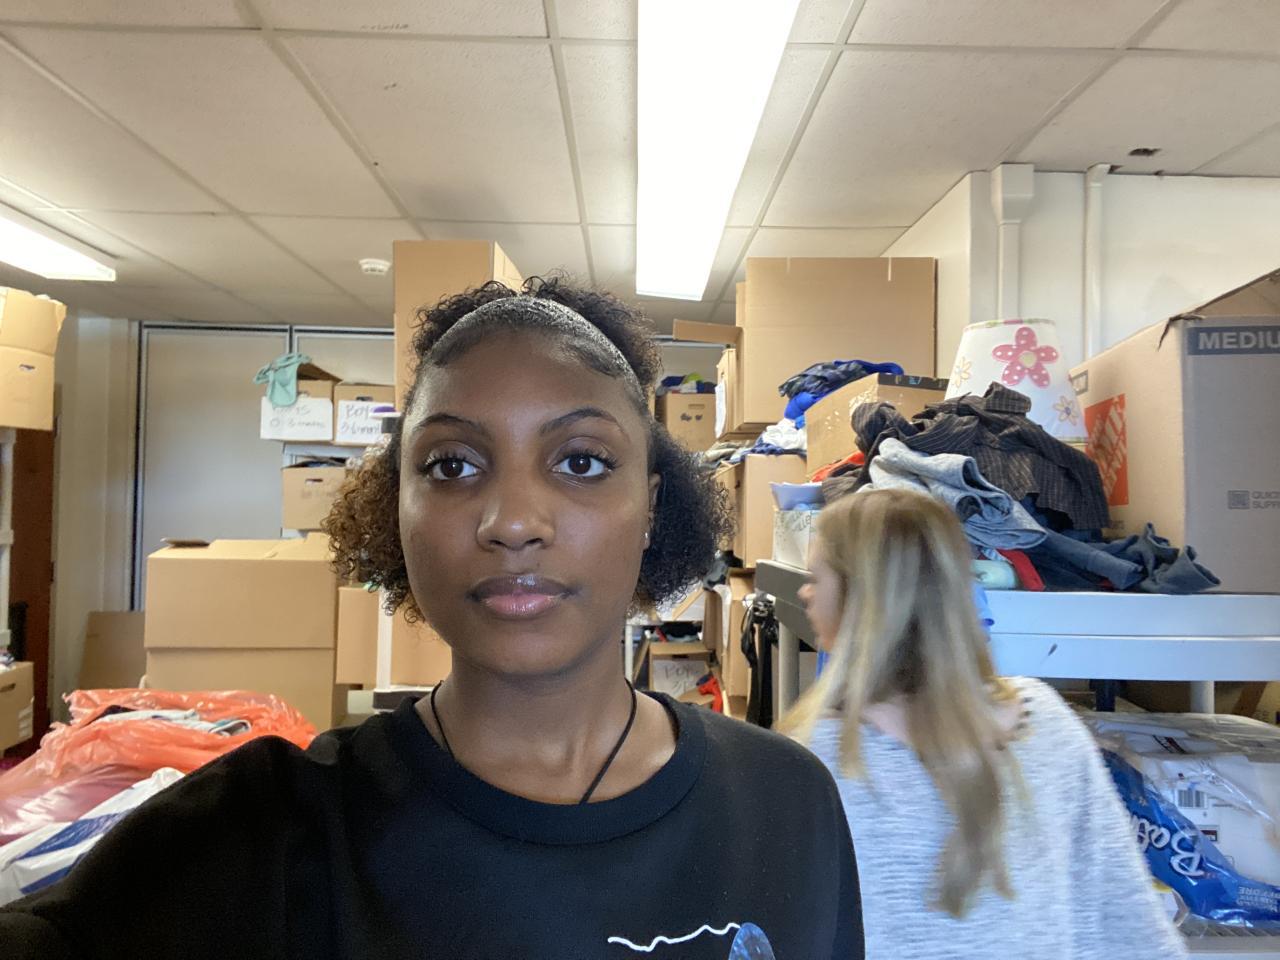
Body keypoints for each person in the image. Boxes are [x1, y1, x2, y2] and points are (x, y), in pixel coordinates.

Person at [1, 278, 862, 959]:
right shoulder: (266, 834)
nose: (513, 521)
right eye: (452, 465)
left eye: (581, 461)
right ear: (397, 507)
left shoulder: (788, 803)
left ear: (651, 508)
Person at [784, 488, 1186, 960]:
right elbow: (1130, 921)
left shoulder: (816, 758)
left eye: (815, 578)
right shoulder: (1046, 719)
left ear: (861, 601)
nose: (804, 592)